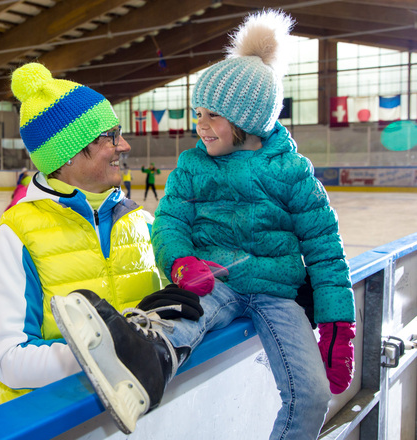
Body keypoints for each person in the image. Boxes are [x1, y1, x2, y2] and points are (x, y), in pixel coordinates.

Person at [51, 10, 356, 438]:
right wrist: (179, 262)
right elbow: (170, 220)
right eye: (198, 113)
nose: (201, 126)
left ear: (247, 120)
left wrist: (338, 323)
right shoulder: (193, 165)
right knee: (180, 318)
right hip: (212, 281)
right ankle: (139, 358)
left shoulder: (293, 172)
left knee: (311, 394)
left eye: (213, 116)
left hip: (275, 293)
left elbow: (325, 249)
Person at [0, 62, 168, 408]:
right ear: (68, 153)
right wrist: (110, 354)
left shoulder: (144, 222)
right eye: (110, 136)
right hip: (50, 420)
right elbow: (11, 359)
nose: (124, 145)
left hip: (132, 410)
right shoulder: (17, 235)